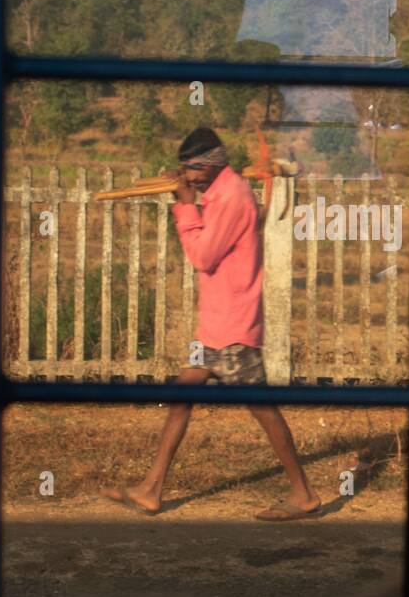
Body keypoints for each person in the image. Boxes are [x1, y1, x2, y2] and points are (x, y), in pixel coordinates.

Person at [102, 127, 322, 521]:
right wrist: (189, 198)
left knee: (264, 410)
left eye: (191, 171)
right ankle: (152, 490)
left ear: (208, 166)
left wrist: (185, 207)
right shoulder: (219, 191)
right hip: (214, 325)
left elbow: (203, 257)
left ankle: (303, 493)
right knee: (181, 402)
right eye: (185, 171)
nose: (186, 177)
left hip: (234, 326)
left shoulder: (233, 198)